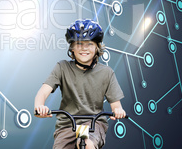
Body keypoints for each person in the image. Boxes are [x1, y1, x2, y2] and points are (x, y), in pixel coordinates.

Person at [34, 19, 126, 149]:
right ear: (72, 47)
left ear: (97, 47)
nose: (84, 48)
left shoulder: (107, 73)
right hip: (67, 125)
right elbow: (43, 92)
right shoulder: (62, 67)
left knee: (86, 143)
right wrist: (39, 106)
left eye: (89, 44)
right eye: (79, 44)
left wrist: (118, 110)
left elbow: (116, 105)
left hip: (93, 124)